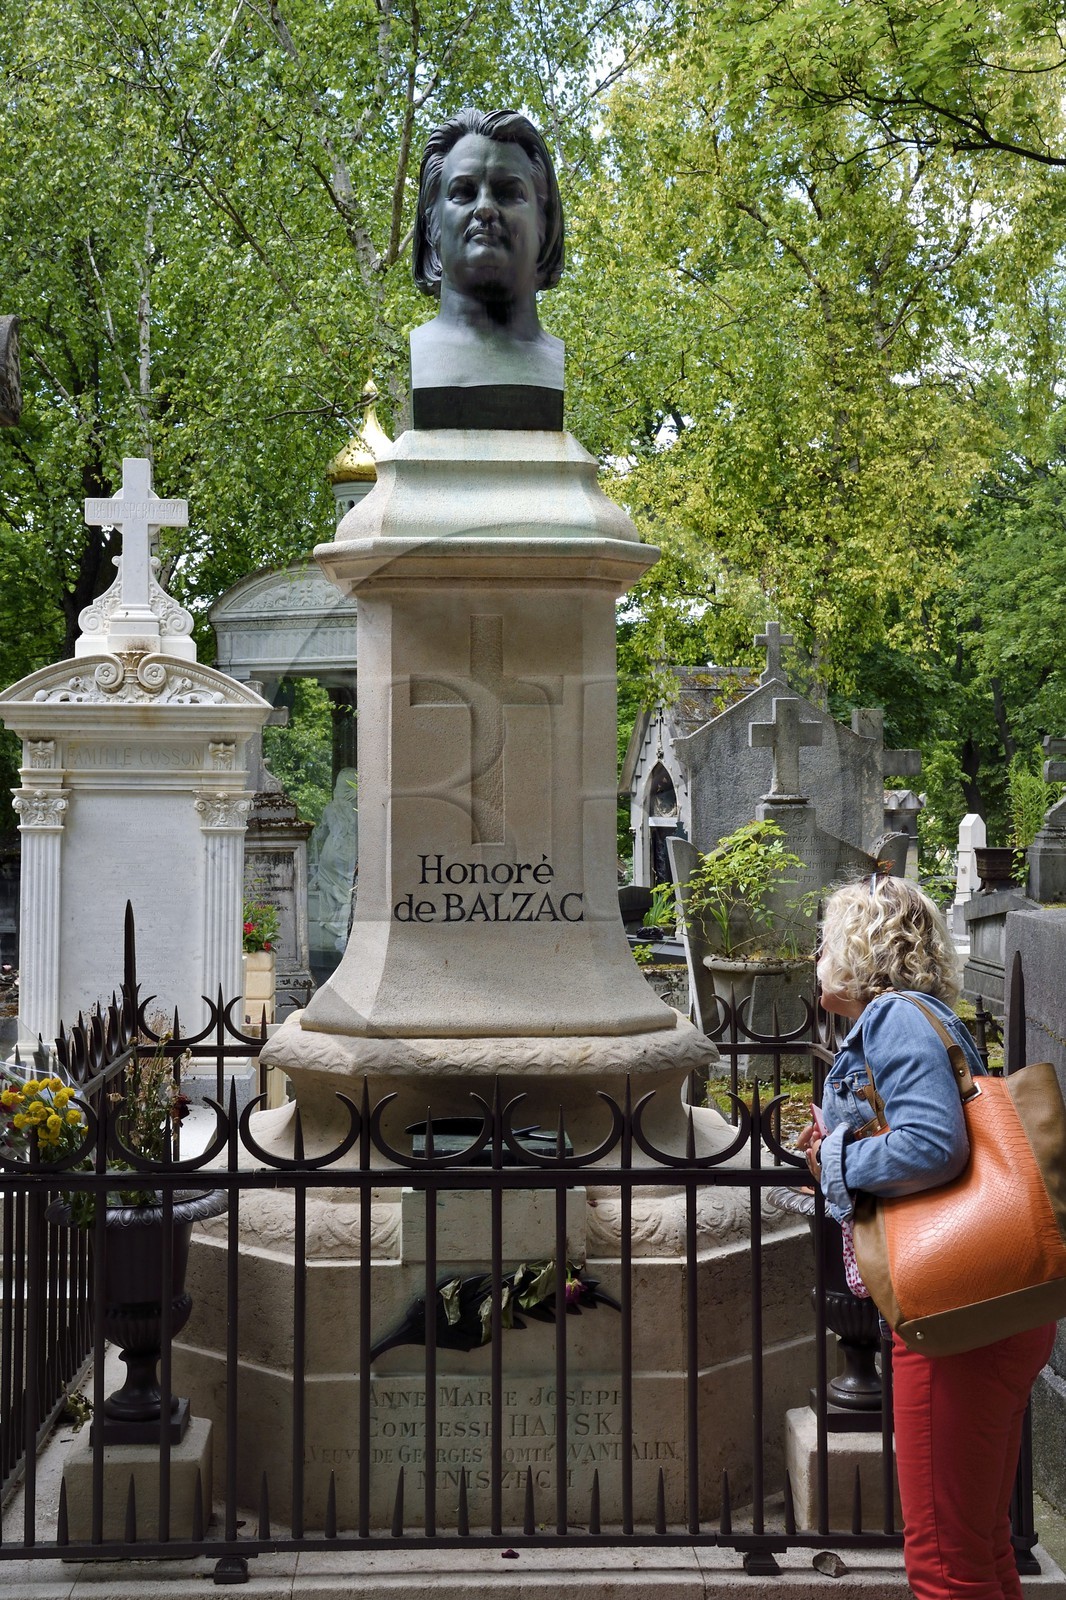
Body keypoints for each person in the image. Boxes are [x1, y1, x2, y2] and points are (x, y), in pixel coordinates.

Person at [799, 875, 1055, 1600]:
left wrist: (838, 1161)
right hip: (994, 1309)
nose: (816, 952)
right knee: (979, 1552)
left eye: (828, 937)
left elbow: (933, 1145)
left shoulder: (893, 1020)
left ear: (858, 949)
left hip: (956, 1318)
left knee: (944, 1564)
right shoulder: (922, 1017)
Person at [409, 108, 565, 416]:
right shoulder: (423, 355)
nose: (485, 209)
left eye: (509, 193)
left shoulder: (554, 360)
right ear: (432, 223)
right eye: (462, 193)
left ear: (543, 222)